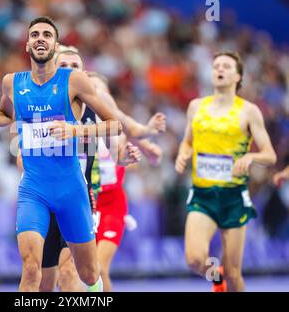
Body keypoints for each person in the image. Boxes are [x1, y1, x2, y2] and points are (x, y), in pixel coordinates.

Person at [0, 16, 122, 292]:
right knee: (32, 270)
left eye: (47, 34)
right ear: (27, 45)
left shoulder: (75, 81)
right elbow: (5, 115)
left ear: (56, 46)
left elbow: (115, 125)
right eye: (34, 34)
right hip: (33, 190)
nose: (40, 38)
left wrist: (75, 131)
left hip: (72, 190)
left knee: (89, 274)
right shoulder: (12, 82)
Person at [37, 48, 165, 292]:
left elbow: (125, 135)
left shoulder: (100, 113)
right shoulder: (46, 106)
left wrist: (142, 144)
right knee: (52, 278)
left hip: (97, 201)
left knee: (89, 270)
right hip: (56, 196)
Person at [175, 52, 277, 292]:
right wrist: (183, 153)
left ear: (237, 76)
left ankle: (226, 279)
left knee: (234, 274)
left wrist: (251, 156)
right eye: (216, 65)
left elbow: (270, 155)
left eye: (226, 66)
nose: (219, 69)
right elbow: (187, 141)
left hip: (233, 197)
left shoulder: (249, 111)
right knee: (194, 259)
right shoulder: (196, 107)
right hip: (203, 195)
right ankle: (216, 277)